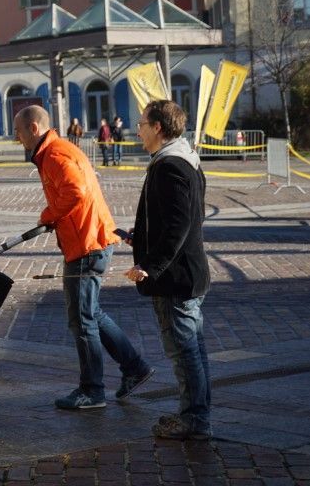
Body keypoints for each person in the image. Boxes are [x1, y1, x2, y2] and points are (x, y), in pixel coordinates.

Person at [14, 105, 153, 410]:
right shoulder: (58, 149)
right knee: (91, 314)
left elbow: (75, 191)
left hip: (87, 244)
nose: (16, 138)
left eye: (19, 131)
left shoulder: (54, 154)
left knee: (82, 319)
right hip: (91, 240)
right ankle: (134, 367)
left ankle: (92, 390)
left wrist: (48, 215)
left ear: (34, 129)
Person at [123, 99, 212, 440]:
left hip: (176, 278)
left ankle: (195, 421)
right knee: (192, 351)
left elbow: (179, 225)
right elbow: (171, 220)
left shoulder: (171, 164)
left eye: (142, 123)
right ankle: (195, 416)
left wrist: (150, 265)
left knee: (185, 352)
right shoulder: (179, 159)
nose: (138, 130)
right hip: (185, 274)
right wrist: (140, 238)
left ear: (158, 127)